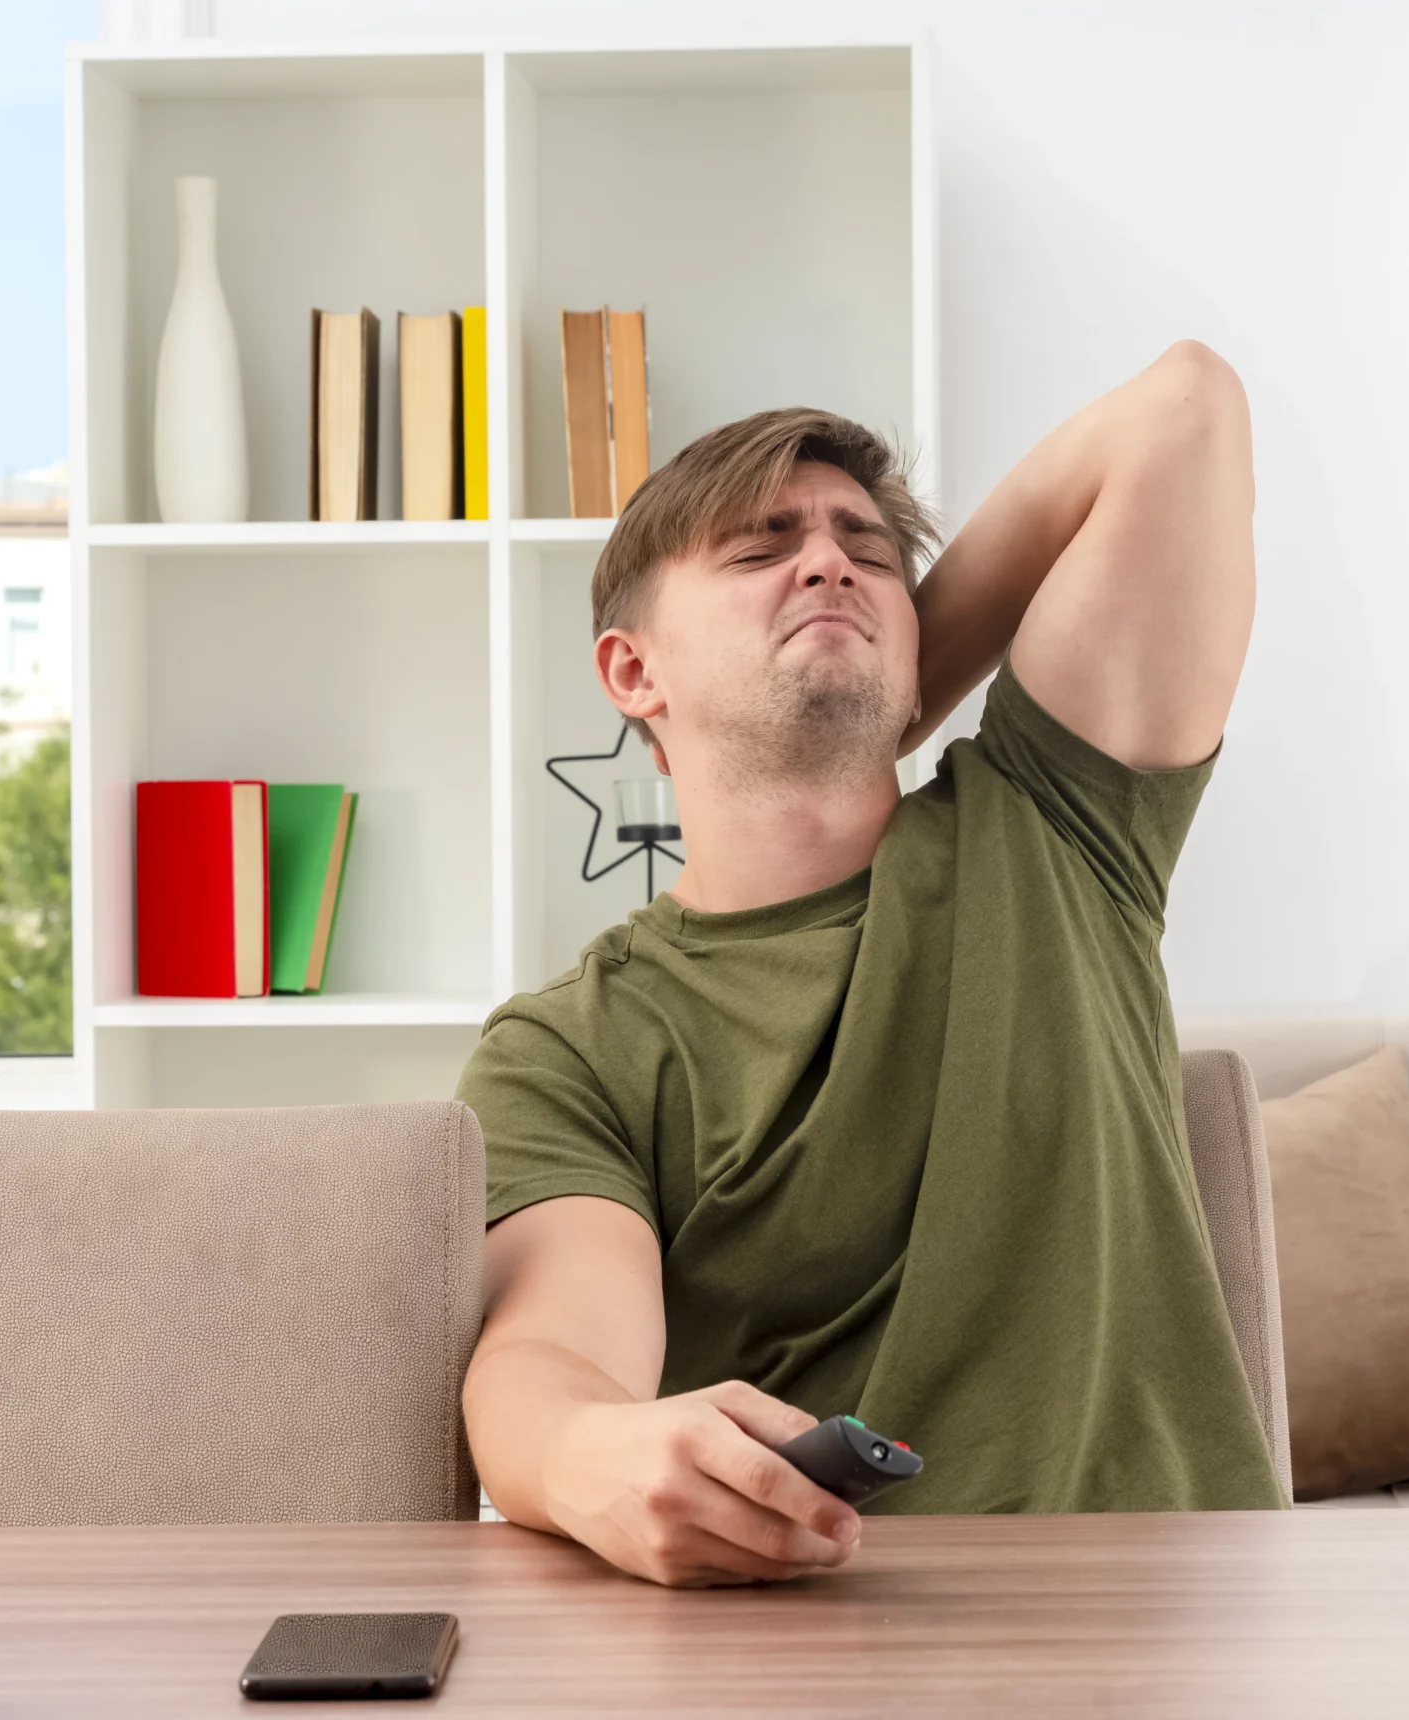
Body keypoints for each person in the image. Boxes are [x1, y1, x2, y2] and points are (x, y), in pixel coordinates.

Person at [457, 342, 1279, 1588]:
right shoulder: (570, 1045)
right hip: (831, 1626)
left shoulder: (1057, 829)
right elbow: (545, 1359)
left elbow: (1184, 409)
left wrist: (871, 673)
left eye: (870, 552)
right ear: (632, 670)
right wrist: (582, 1453)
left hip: (1175, 1614)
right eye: (759, 549)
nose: (829, 560)